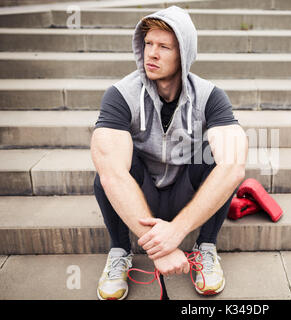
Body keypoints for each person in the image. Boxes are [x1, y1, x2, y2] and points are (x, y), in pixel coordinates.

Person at [90, 6, 248, 300]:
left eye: (164, 46)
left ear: (184, 54)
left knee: (220, 159)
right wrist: (159, 249)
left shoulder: (209, 95)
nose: (152, 53)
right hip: (143, 193)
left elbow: (234, 167)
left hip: (185, 194)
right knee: (107, 167)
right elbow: (112, 173)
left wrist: (177, 232)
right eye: (148, 44)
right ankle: (120, 250)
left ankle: (206, 247)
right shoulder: (121, 94)